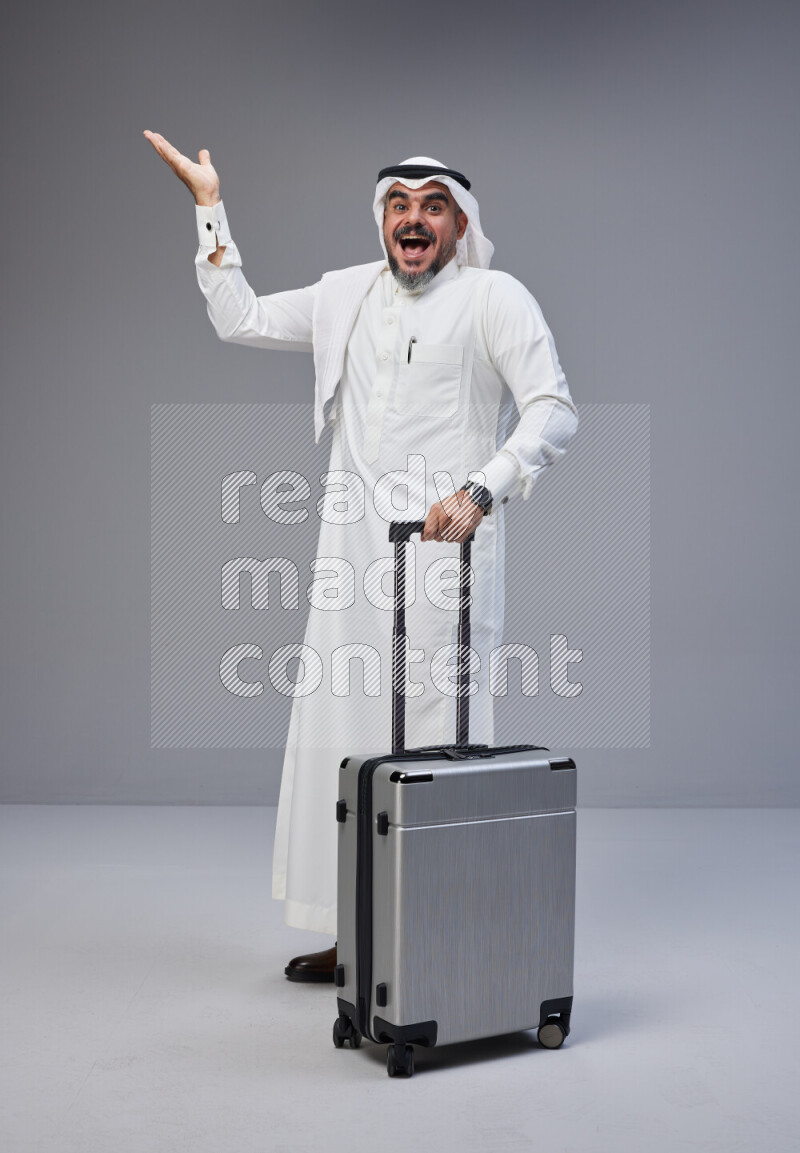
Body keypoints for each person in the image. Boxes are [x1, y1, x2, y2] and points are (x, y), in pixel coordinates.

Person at [144, 133, 578, 982]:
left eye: (433, 205)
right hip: (348, 558)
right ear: (381, 217)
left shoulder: (495, 298)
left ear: (458, 223)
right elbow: (241, 317)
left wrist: (483, 489)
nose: (413, 219)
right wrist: (209, 207)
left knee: (434, 748)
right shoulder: (346, 296)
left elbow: (554, 411)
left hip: (444, 562)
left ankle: (429, 942)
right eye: (398, 203)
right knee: (344, 742)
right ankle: (359, 936)